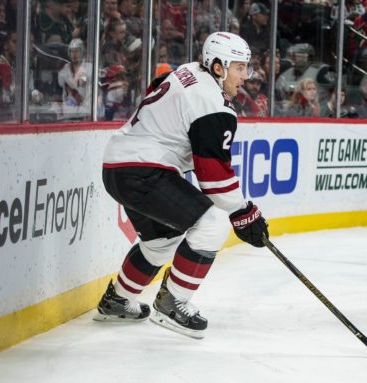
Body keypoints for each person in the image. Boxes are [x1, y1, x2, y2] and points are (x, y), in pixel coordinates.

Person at [94, 32, 269, 340]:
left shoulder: (189, 70)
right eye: (240, 67)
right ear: (218, 67)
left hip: (117, 166)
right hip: (143, 171)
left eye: (247, 68)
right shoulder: (211, 102)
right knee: (213, 223)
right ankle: (172, 302)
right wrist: (243, 212)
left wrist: (242, 211)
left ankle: (117, 300)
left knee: (161, 239)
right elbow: (213, 178)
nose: (246, 76)